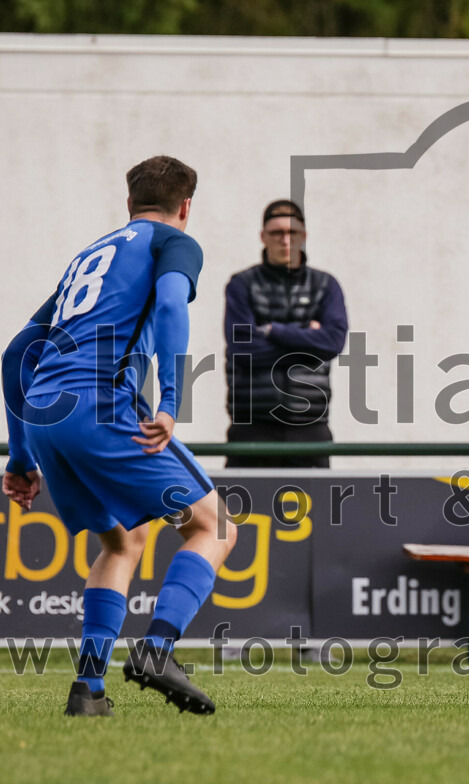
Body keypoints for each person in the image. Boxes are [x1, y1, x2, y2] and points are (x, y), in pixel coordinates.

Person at [2, 156, 237, 717]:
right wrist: (171, 402)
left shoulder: (88, 257)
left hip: (45, 416)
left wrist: (20, 454)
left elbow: (15, 354)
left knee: (121, 542)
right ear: (186, 207)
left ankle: (88, 690)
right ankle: (156, 650)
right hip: (101, 404)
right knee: (216, 525)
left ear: (127, 203)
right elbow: (174, 304)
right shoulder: (173, 242)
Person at [224, 199, 348, 468]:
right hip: (252, 427)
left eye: (292, 232)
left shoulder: (326, 286)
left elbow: (333, 342)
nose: (285, 240)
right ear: (262, 237)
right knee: (243, 510)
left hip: (310, 426)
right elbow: (243, 349)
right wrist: (308, 338)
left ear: (303, 236)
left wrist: (273, 330)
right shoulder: (242, 285)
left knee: (319, 509)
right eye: (276, 232)